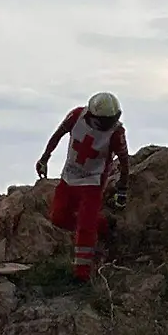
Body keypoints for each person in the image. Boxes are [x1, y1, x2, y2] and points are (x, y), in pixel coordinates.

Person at [35, 91, 131, 282]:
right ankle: (102, 225)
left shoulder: (116, 133)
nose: (106, 124)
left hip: (93, 183)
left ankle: (82, 274)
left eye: (111, 120)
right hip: (69, 177)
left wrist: (122, 188)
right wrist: (44, 158)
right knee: (58, 218)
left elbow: (124, 161)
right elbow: (57, 135)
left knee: (85, 227)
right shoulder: (76, 116)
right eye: (103, 121)